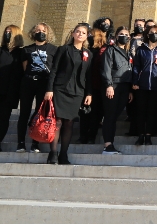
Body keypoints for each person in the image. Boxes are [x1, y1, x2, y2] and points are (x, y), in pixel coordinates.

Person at [44, 24, 93, 165]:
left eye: (83, 33)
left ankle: (63, 154)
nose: (80, 34)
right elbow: (54, 70)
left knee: (69, 123)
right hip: (60, 90)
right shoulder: (64, 49)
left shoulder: (88, 54)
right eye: (78, 32)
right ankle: (53, 153)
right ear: (73, 34)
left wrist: (89, 93)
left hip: (77, 92)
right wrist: (49, 89)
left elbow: (88, 75)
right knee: (57, 122)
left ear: (86, 37)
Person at [16, 23, 56, 153]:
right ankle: (21, 143)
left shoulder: (53, 50)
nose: (40, 32)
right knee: (24, 113)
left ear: (48, 33)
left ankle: (35, 143)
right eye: (38, 30)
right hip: (28, 83)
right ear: (33, 32)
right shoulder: (27, 49)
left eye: (43, 30)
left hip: (43, 84)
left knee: (40, 113)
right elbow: (24, 67)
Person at [101, 26, 134, 155]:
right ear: (116, 36)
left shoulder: (128, 53)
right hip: (113, 86)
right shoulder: (110, 50)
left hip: (125, 87)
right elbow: (106, 68)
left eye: (126, 34)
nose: (124, 36)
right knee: (110, 116)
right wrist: (109, 85)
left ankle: (110, 143)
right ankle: (108, 145)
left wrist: (130, 90)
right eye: (121, 34)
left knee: (115, 116)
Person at [132, 26, 157, 146]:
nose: (154, 35)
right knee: (140, 111)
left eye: (156, 33)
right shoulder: (141, 49)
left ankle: (148, 135)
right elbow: (136, 66)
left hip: (156, 86)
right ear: (147, 35)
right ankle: (140, 135)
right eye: (151, 33)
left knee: (151, 111)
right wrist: (135, 81)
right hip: (141, 86)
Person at [0, 25, 24, 150]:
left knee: (4, 118)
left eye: (10, 32)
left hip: (11, 92)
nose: (7, 34)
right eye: (6, 32)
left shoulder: (21, 53)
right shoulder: (1, 50)